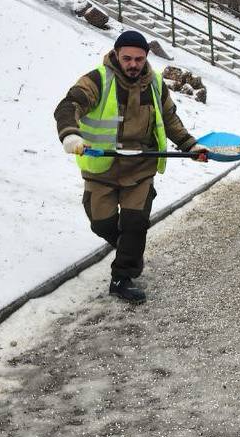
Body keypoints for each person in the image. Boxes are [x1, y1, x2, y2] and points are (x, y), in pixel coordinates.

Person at [54, 30, 209, 304]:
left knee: (134, 223)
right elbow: (70, 104)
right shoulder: (97, 80)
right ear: (116, 55)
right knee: (101, 224)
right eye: (127, 58)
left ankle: (122, 277)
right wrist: (70, 133)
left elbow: (170, 120)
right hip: (102, 167)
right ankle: (130, 248)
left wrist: (191, 146)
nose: (133, 64)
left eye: (139, 58)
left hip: (140, 167)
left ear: (146, 57)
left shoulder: (155, 84)